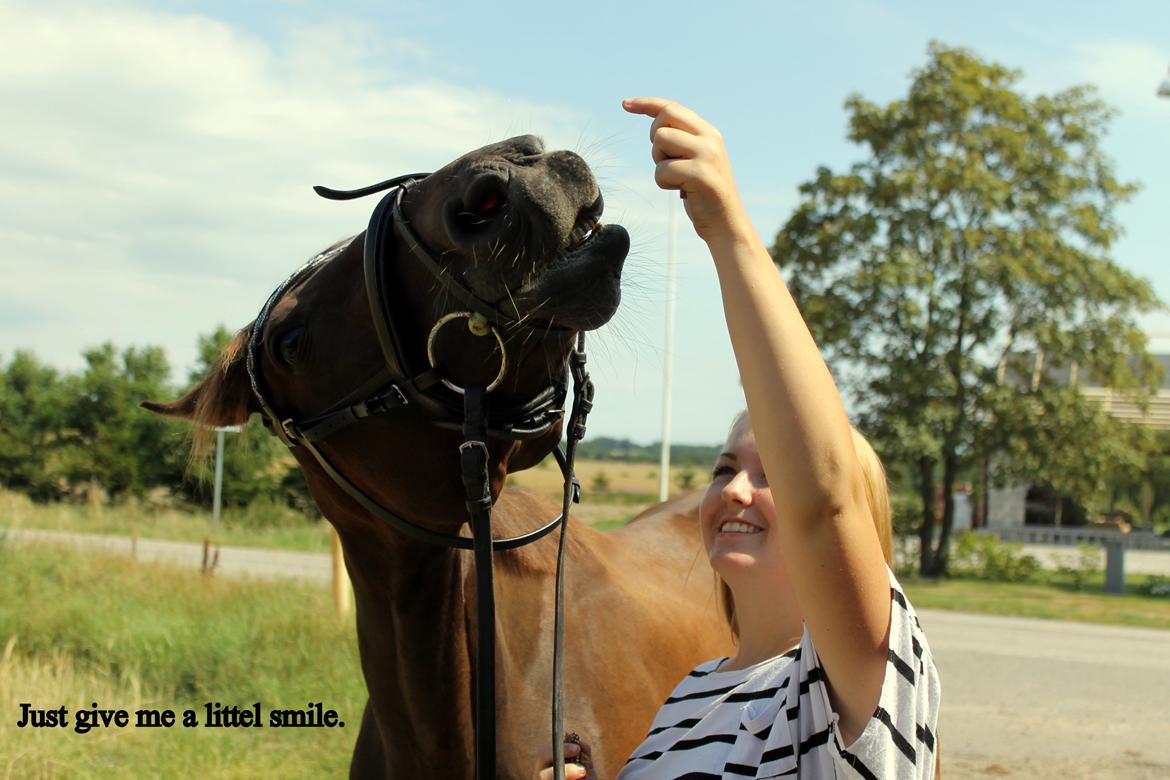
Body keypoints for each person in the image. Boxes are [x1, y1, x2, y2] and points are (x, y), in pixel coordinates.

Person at [539, 98, 940, 779]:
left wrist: (729, 231)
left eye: (771, 471)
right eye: (724, 468)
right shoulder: (690, 695)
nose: (736, 489)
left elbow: (825, 495)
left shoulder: (864, 687)